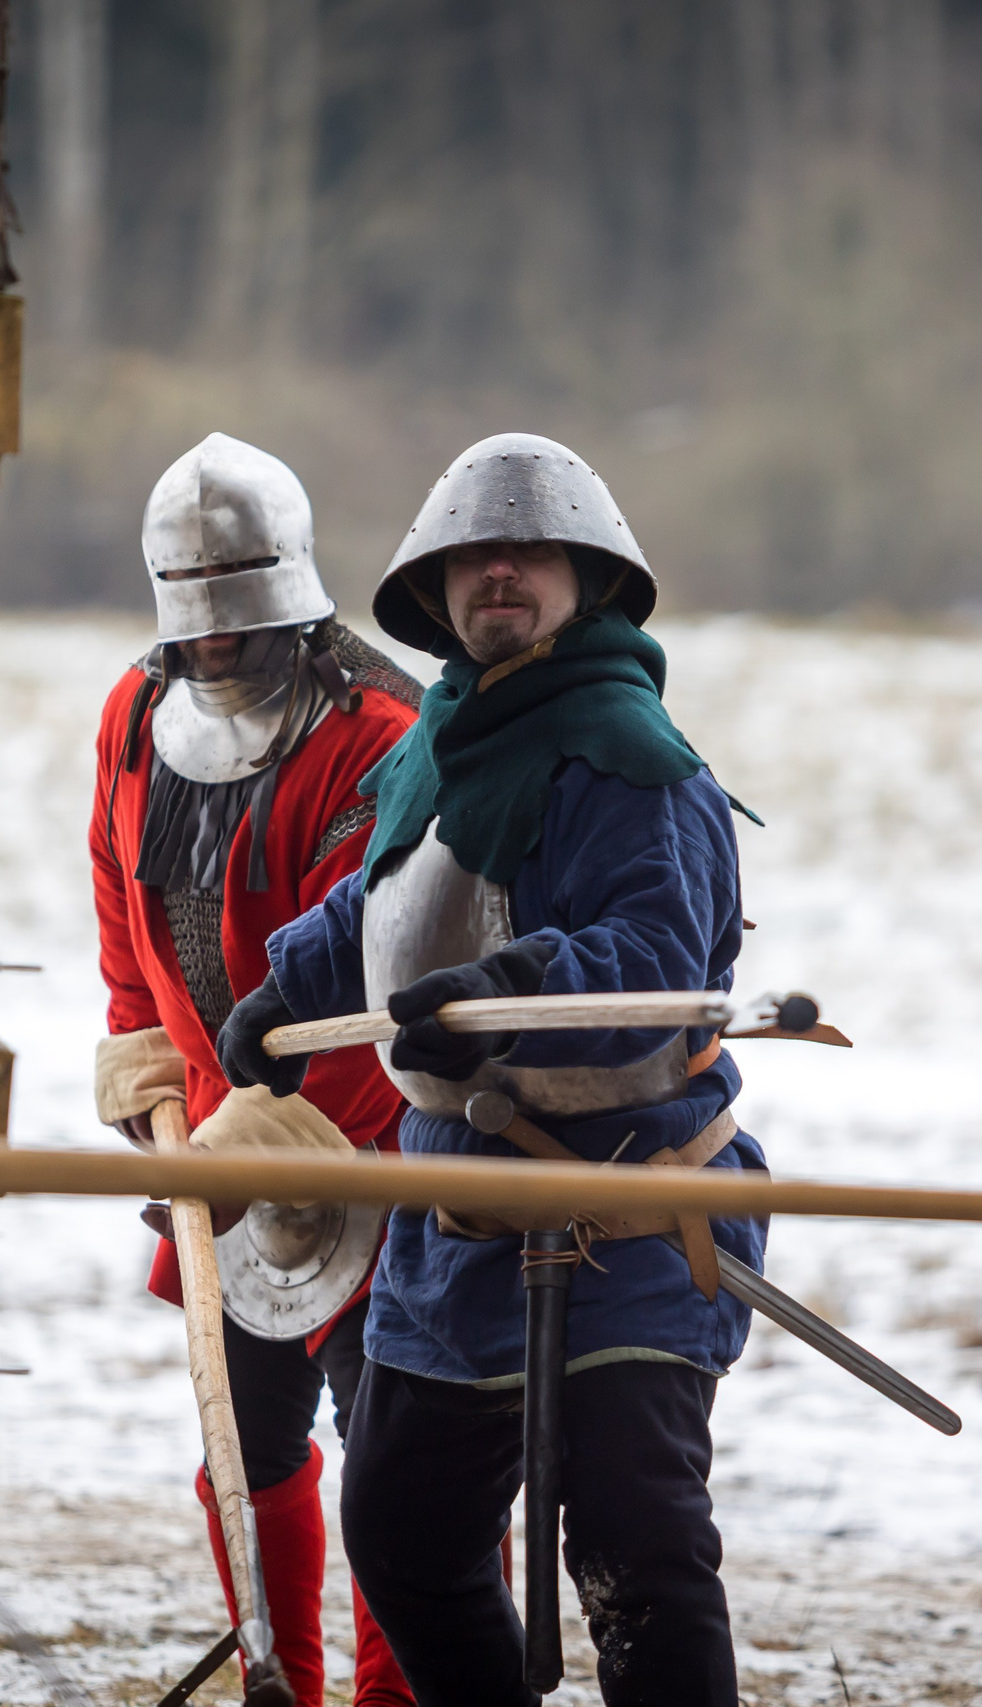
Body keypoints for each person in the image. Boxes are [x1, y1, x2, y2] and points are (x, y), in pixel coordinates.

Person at [216, 433, 763, 1707]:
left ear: (584, 575)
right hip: (456, 1218)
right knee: (402, 1536)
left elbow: (650, 956)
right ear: (438, 587)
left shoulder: (639, 760)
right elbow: (391, 902)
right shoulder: (436, 747)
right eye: (472, 558)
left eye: (525, 554)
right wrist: (285, 986)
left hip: (626, 1215)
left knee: (640, 1561)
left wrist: (510, 990)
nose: (497, 573)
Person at [87, 433, 422, 1707]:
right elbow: (122, 894)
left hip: (370, 1143)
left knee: (398, 1461)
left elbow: (371, 982)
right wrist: (142, 1055)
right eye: (193, 613)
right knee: (245, 1446)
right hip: (210, 1133)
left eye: (238, 611)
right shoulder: (134, 711)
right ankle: (279, 1683)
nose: (214, 641)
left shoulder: (378, 736)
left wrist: (247, 1143)